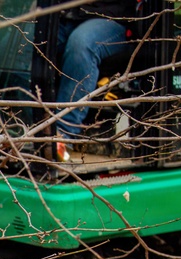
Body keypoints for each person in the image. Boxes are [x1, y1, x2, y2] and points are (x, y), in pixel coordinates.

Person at [54, 1, 140, 158]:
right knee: (19, 42)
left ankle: (62, 135)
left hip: (110, 17)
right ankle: (20, 125)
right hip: (64, 14)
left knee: (81, 45)